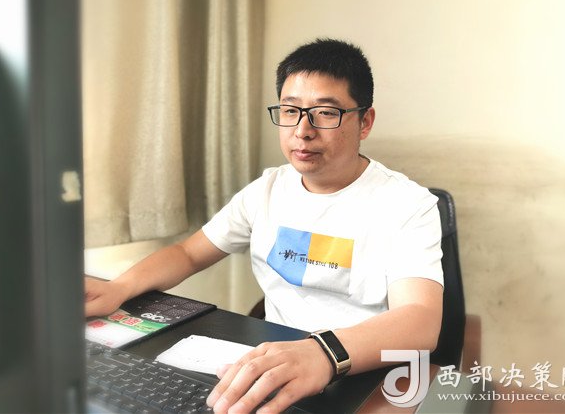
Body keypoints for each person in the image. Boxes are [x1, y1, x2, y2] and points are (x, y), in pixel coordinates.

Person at [85, 38, 444, 414]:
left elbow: (420, 321)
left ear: (364, 122)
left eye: (325, 113)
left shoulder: (407, 205)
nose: (302, 130)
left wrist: (324, 353)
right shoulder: (268, 190)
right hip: (277, 362)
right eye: (290, 110)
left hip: (365, 374)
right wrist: (119, 288)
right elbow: (189, 254)